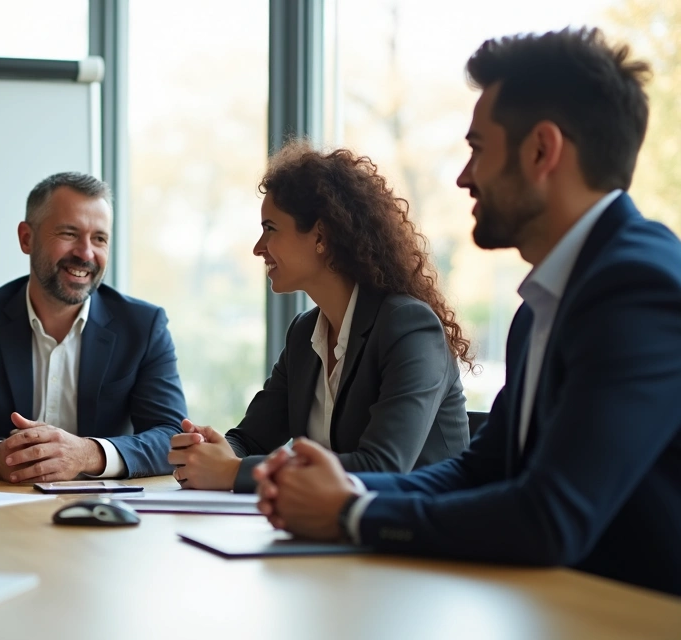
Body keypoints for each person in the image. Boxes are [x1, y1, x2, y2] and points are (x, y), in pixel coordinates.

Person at [254, 28, 681, 597]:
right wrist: (350, 495)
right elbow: (484, 468)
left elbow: (549, 516)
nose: (464, 175)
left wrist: (351, 516)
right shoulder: (542, 307)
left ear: (541, 151)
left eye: (478, 148)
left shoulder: (639, 287)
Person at [168, 142, 471, 493]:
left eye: (270, 228)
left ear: (321, 236)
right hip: (337, 534)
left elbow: (384, 467)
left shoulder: (409, 327)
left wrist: (234, 472)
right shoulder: (304, 333)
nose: (258, 247)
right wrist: (209, 453)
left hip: (416, 537)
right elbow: (251, 439)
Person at [0, 172, 187, 482]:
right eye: (69, 233)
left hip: (105, 512)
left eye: (99, 238)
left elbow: (171, 436)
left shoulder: (143, 326)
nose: (86, 253)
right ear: (26, 238)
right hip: (3, 507)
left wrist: (88, 454)